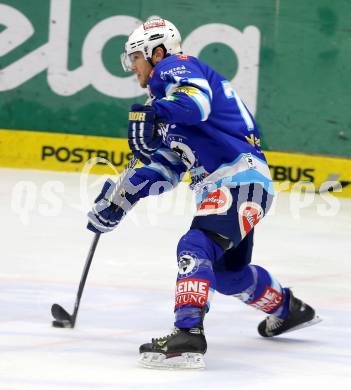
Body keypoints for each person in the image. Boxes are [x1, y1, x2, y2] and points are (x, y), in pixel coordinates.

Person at [87, 18, 321, 369]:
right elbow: (168, 168)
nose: (132, 66)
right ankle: (288, 309)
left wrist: (154, 111)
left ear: (158, 52)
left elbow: (198, 105)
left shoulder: (174, 68)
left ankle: (188, 334)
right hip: (242, 185)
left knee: (195, 246)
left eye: (135, 56)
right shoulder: (168, 98)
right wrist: (121, 198)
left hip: (237, 181)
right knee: (227, 275)